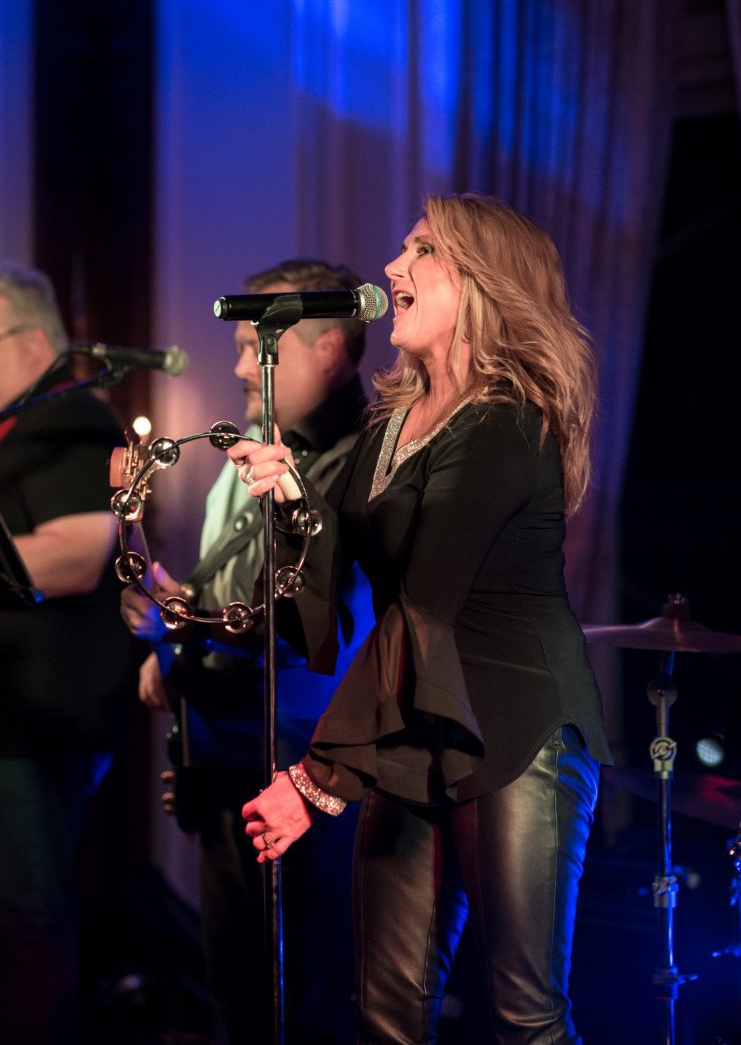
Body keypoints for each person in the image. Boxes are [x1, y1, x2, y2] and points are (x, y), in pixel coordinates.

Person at [226, 194, 613, 1045]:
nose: (392, 266)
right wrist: (292, 500)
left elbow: (427, 604)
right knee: (387, 1011)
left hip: (514, 732)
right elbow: (335, 583)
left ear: (482, 283)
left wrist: (315, 780)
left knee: (525, 1015)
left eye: (422, 250)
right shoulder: (391, 424)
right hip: (415, 727)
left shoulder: (507, 422)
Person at [120, 260, 374, 1045]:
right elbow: (228, 596)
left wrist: (183, 628)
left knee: (311, 998)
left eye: (254, 348)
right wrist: (169, 629)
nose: (239, 369)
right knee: (237, 991)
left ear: (329, 350)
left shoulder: (365, 463)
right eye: (237, 347)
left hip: (308, 768)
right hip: (226, 754)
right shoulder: (247, 457)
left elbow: (311, 627)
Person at [0, 262, 135, 1044]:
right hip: (17, 719)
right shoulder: (23, 424)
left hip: (42, 724)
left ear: (28, 340)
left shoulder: (75, 419)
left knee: (27, 921)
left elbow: (80, 553)